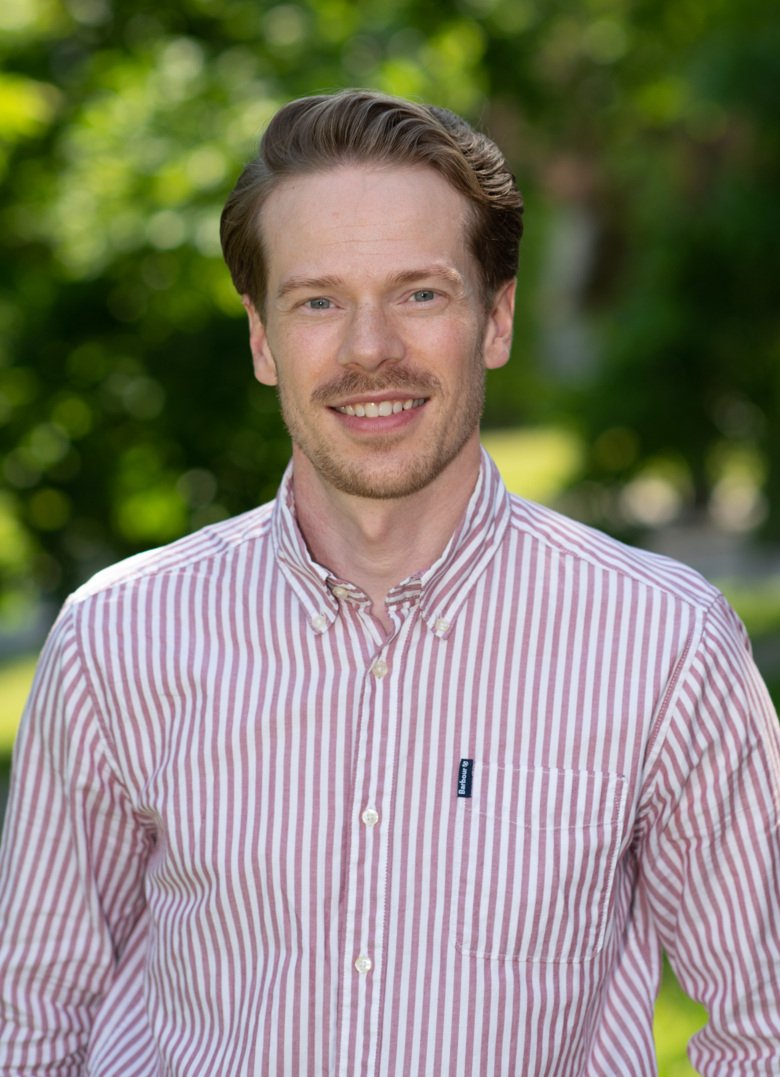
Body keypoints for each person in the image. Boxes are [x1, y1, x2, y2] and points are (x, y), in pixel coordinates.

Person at [0, 89, 778, 1076]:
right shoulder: (117, 639)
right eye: (319, 300)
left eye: (420, 292)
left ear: (495, 319)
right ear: (260, 338)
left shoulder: (664, 644)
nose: (370, 351)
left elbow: (763, 1025)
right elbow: (32, 1024)